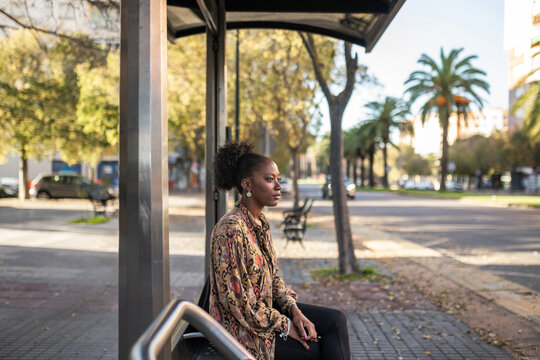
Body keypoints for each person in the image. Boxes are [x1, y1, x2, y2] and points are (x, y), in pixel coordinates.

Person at [209, 141, 351, 360]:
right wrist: (285, 325)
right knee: (316, 349)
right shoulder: (231, 230)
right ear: (247, 185)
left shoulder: (259, 223)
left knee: (335, 321)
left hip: (264, 315)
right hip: (243, 331)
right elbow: (239, 305)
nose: (278, 187)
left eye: (278, 179)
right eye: (269, 179)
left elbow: (274, 279)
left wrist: (295, 312)